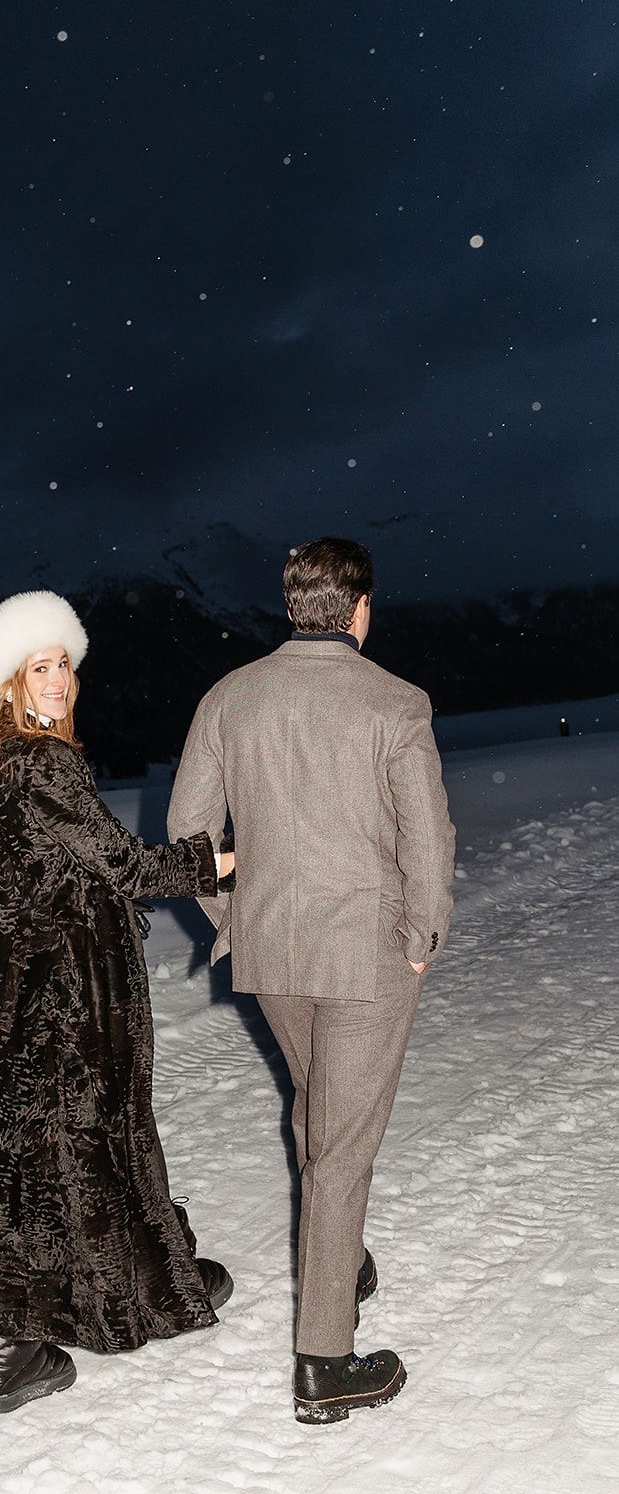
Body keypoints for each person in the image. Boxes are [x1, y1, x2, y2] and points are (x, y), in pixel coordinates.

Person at [168, 538, 455, 1425]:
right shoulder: (393, 703)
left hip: (275, 950)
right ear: (359, 607)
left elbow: (187, 837)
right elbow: (427, 842)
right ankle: (325, 1362)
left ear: (292, 605)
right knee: (343, 1147)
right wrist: (421, 938)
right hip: (367, 954)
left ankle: (343, 1257)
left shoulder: (229, 698)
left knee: (315, 1103)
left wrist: (235, 917)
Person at [0, 589, 235, 1414]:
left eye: (65, 662)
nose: (61, 679)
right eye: (42, 666)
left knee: (28, 1154)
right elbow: (128, 869)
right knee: (86, 1140)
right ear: (8, 683)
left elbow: (39, 882)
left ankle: (12, 1347)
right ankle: (141, 1283)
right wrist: (218, 862)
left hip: (18, 990)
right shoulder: (42, 762)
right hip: (71, 993)